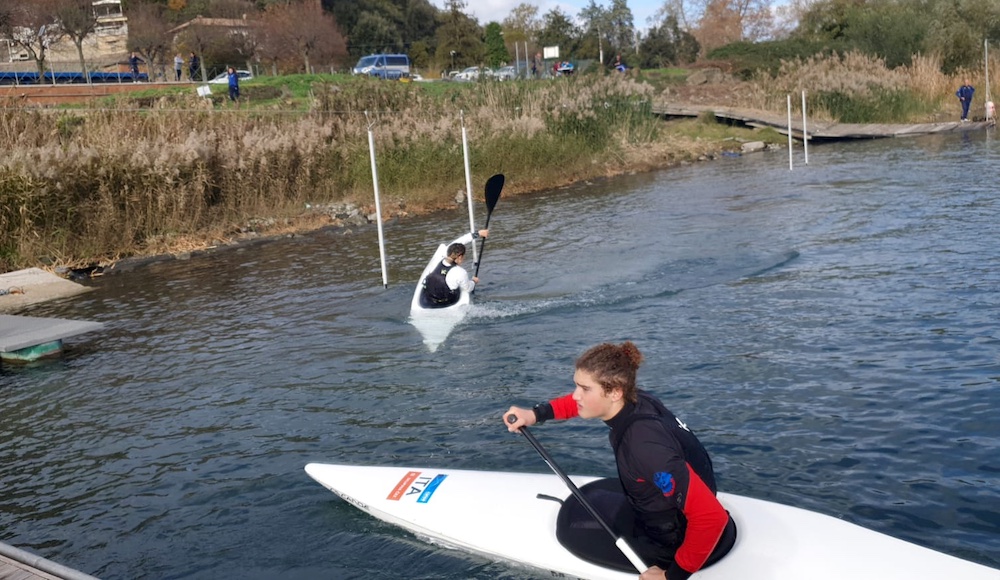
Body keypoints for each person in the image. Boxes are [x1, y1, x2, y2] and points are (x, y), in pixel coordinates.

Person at [503, 342, 736, 580]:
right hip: (664, 507)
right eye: (576, 386)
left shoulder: (643, 446)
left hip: (672, 538)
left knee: (573, 533)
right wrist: (534, 414)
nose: (576, 395)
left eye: (585, 389)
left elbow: (711, 517)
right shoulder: (637, 400)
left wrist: (671, 576)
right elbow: (580, 403)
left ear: (615, 392)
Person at [419, 229, 488, 308]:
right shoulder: (460, 272)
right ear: (460, 257)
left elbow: (460, 241)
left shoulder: (439, 258)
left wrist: (477, 234)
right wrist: (473, 281)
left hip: (428, 300)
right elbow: (468, 288)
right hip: (446, 301)